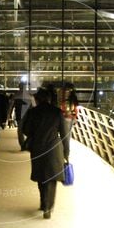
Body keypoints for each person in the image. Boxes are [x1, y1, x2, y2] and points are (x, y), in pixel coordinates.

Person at [21, 87, 69, 219]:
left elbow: (25, 129)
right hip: (54, 149)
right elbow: (65, 134)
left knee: (41, 177)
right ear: (49, 99)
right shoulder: (57, 112)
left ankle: (44, 203)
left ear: (37, 99)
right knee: (52, 179)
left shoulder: (33, 112)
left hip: (37, 148)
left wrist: (36, 134)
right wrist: (66, 153)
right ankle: (48, 207)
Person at [59, 83, 79, 158]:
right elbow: (75, 107)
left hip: (62, 116)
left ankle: (64, 152)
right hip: (69, 117)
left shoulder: (62, 95)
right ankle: (66, 154)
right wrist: (75, 117)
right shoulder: (72, 97)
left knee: (63, 136)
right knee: (67, 136)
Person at [13, 83, 34, 150]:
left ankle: (22, 145)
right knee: (30, 130)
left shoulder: (16, 95)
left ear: (19, 87)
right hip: (29, 115)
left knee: (20, 130)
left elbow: (11, 106)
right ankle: (27, 143)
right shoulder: (30, 96)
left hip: (19, 115)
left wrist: (8, 115)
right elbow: (34, 107)